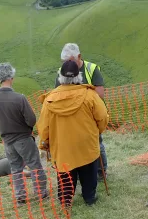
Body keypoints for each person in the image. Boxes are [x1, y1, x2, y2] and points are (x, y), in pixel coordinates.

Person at [38, 60, 108, 206]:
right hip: (87, 145)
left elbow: (44, 127)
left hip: (62, 147)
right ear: (78, 77)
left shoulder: (49, 100)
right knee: (89, 171)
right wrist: (97, 132)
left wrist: (45, 143)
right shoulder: (90, 95)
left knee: (65, 175)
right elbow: (102, 117)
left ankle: (65, 200)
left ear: (60, 77)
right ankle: (89, 197)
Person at [0, 62, 48, 204]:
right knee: (35, 165)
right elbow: (32, 120)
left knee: (15, 169)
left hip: (7, 141)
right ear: (11, 77)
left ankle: (20, 196)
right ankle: (41, 193)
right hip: (23, 138)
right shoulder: (19, 98)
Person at [56, 43, 108, 178]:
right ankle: (81, 173)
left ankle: (101, 171)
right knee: (75, 145)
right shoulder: (62, 71)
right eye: (64, 61)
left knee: (96, 143)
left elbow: (100, 93)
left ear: (79, 56)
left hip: (90, 114)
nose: (67, 63)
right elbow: (57, 93)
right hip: (70, 116)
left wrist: (82, 100)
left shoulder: (91, 69)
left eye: (70, 60)